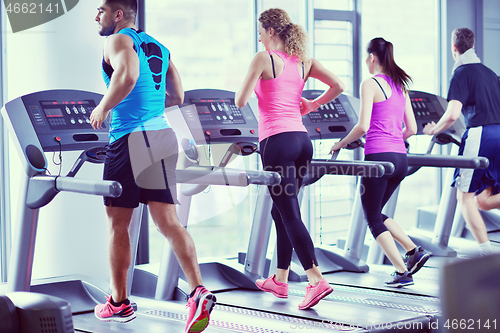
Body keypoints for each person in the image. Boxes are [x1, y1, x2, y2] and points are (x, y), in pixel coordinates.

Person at [91, 1, 215, 332]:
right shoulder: (159, 46)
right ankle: (198, 290)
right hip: (162, 136)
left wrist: (104, 107)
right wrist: (148, 104)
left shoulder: (116, 40)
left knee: (119, 224)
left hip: (130, 139)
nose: (96, 16)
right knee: (169, 222)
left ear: (118, 15)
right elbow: (177, 95)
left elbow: (128, 75)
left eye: (101, 9)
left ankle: (118, 303)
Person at [235, 8, 344, 309]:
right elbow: (339, 86)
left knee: (290, 212)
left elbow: (240, 101)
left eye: (260, 31)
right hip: (301, 141)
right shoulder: (304, 62)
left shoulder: (263, 59)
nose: (258, 37)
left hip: (276, 142)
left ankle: (315, 278)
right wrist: (312, 105)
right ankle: (280, 280)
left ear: (271, 31)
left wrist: (252, 85)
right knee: (280, 211)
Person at [330, 37, 430, 288]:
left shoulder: (370, 84)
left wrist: (340, 143)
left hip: (379, 158)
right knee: (378, 212)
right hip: (400, 159)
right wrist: (394, 139)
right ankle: (412, 251)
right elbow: (413, 128)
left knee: (372, 217)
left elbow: (362, 126)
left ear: (372, 57)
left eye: (367, 57)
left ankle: (401, 271)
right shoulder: (400, 86)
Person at [423, 28, 500, 256]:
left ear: (454, 48)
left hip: (480, 134)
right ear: (473, 46)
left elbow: (453, 113)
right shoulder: (489, 73)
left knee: (464, 197)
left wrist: (433, 129)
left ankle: (488, 256)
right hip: (498, 133)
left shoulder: (461, 73)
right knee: (484, 200)